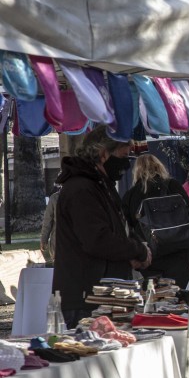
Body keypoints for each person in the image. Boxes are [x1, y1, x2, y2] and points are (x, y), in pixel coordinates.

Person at [53, 125, 151, 326]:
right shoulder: (81, 189)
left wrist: (134, 250)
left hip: (103, 295)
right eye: (123, 156)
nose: (125, 165)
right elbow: (97, 240)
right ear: (103, 154)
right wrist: (137, 250)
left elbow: (117, 230)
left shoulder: (100, 186)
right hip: (87, 299)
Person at [121, 154, 189, 285]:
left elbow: (127, 224)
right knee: (180, 295)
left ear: (137, 170)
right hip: (178, 250)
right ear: (160, 167)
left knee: (154, 296)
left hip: (149, 254)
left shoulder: (132, 194)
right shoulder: (173, 186)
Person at [40, 187, 60, 262]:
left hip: (58, 244)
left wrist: (44, 239)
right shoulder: (80, 197)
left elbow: (48, 221)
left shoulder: (55, 198)